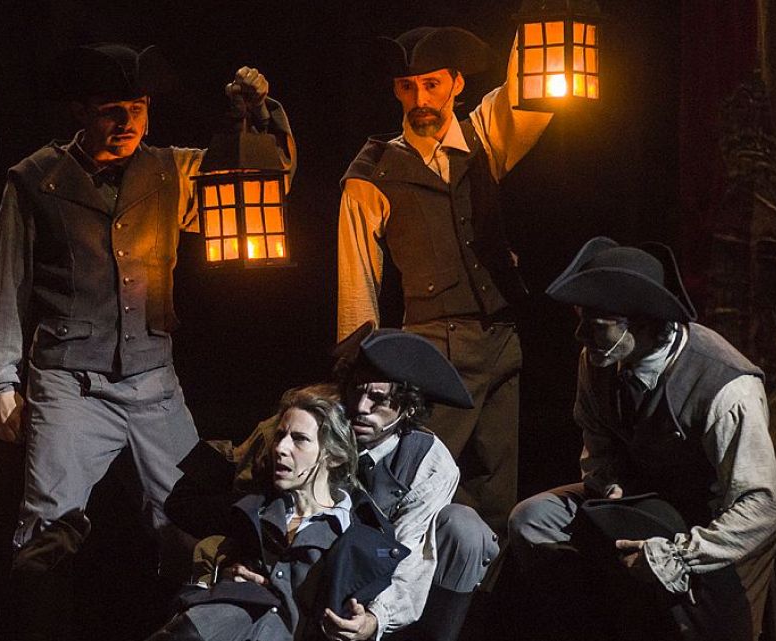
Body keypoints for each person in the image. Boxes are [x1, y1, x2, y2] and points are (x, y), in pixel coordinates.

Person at [0, 42, 294, 587]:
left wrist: (255, 117)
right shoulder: (37, 179)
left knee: (193, 516)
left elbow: (262, 177)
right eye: (111, 111)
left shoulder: (169, 171)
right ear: (80, 111)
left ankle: (197, 617)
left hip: (152, 383)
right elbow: (7, 281)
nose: (127, 124)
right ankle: (37, 614)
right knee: (47, 530)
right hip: (70, 385)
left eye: (137, 109)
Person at [508, 237, 776, 641]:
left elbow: (762, 506)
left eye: (596, 325)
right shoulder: (598, 359)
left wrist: (677, 556)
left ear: (642, 323)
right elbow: (598, 441)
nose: (580, 334)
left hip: (716, 525)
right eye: (580, 318)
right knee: (533, 520)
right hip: (643, 501)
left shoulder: (727, 387)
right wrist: (609, 485)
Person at [337, 26, 553, 536]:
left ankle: (485, 585)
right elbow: (357, 279)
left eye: (432, 85)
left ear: (457, 83)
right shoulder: (372, 172)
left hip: (500, 340)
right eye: (408, 87)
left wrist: (542, 17)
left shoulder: (484, 136)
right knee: (419, 489)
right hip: (434, 350)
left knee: (496, 494)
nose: (420, 100)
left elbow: (532, 82)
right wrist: (359, 367)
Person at [166, 325, 498, 641]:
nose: (361, 407)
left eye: (378, 399)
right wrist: (233, 561)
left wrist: (375, 619)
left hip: (375, 574)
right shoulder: (310, 422)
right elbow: (247, 503)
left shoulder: (428, 463)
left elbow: (412, 558)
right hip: (299, 566)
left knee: (464, 528)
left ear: (408, 408)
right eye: (357, 389)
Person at [147, 385, 407, 641]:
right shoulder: (255, 509)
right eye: (280, 435)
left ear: (334, 456)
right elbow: (180, 506)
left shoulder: (357, 538)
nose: (281, 448)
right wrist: (226, 571)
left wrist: (362, 622)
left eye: (300, 439)